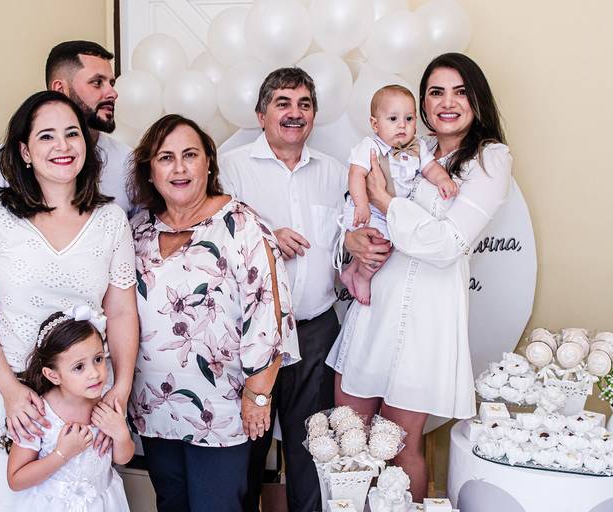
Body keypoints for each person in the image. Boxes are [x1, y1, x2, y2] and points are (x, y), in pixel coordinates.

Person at [328, 53, 512, 499]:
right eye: (436, 92)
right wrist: (350, 243)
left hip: (425, 319)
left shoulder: (490, 159)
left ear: (477, 99)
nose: (448, 102)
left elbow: (448, 245)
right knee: (349, 436)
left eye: (460, 92)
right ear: (423, 103)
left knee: (399, 444)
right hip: (374, 306)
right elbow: (353, 210)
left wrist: (388, 202)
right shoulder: (404, 144)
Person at [0, 91, 138, 510]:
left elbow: (122, 311)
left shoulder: (110, 221)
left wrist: (122, 386)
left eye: (72, 133)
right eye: (46, 136)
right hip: (14, 397)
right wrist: (10, 391)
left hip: (85, 396)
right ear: (24, 151)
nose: (62, 146)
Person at [121, 114, 300, 512]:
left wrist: (258, 395)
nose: (179, 168)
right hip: (155, 406)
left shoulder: (242, 225)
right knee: (172, 504)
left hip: (222, 410)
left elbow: (268, 315)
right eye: (166, 158)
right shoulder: (136, 231)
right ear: (150, 170)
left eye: (190, 155)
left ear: (208, 164)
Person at [219, 68, 346, 512]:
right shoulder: (230, 168)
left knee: (312, 453)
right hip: (249, 339)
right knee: (244, 455)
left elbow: (344, 245)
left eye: (304, 104)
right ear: (261, 115)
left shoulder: (335, 173)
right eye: (283, 103)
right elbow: (216, 244)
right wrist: (269, 239)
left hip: (315, 332)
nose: (295, 113)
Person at [0, 40, 132, 316]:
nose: (112, 93)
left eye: (111, 83)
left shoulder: (128, 162)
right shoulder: (6, 161)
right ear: (60, 89)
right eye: (97, 83)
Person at [339, 84, 458, 305]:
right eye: (393, 119)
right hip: (370, 209)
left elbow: (430, 168)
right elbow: (356, 175)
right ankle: (363, 277)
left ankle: (351, 272)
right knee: (381, 245)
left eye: (409, 119)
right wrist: (362, 204)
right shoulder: (370, 146)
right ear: (375, 124)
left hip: (393, 209)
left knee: (388, 242)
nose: (402, 125)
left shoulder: (418, 146)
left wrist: (443, 179)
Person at [7, 306, 133, 511]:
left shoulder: (107, 403)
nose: (95, 373)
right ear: (53, 375)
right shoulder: (39, 414)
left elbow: (122, 458)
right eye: (79, 367)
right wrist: (62, 453)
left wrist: (121, 435)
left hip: (102, 503)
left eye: (98, 359)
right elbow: (16, 479)